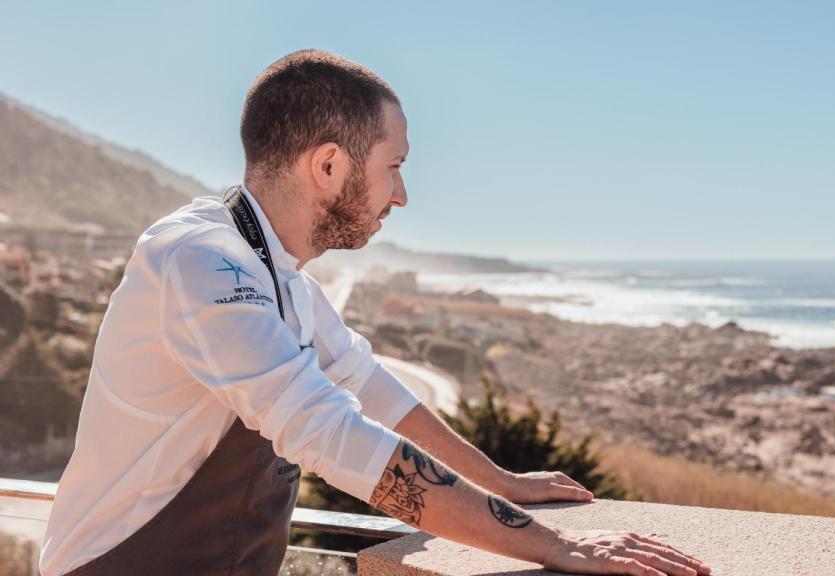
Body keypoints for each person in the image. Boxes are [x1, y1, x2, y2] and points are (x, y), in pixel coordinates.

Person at [38, 49, 711, 576]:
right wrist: (553, 546)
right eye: (394, 165)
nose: (403, 194)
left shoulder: (280, 275)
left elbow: (365, 383)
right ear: (329, 166)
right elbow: (332, 433)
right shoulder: (202, 261)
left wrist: (501, 481)